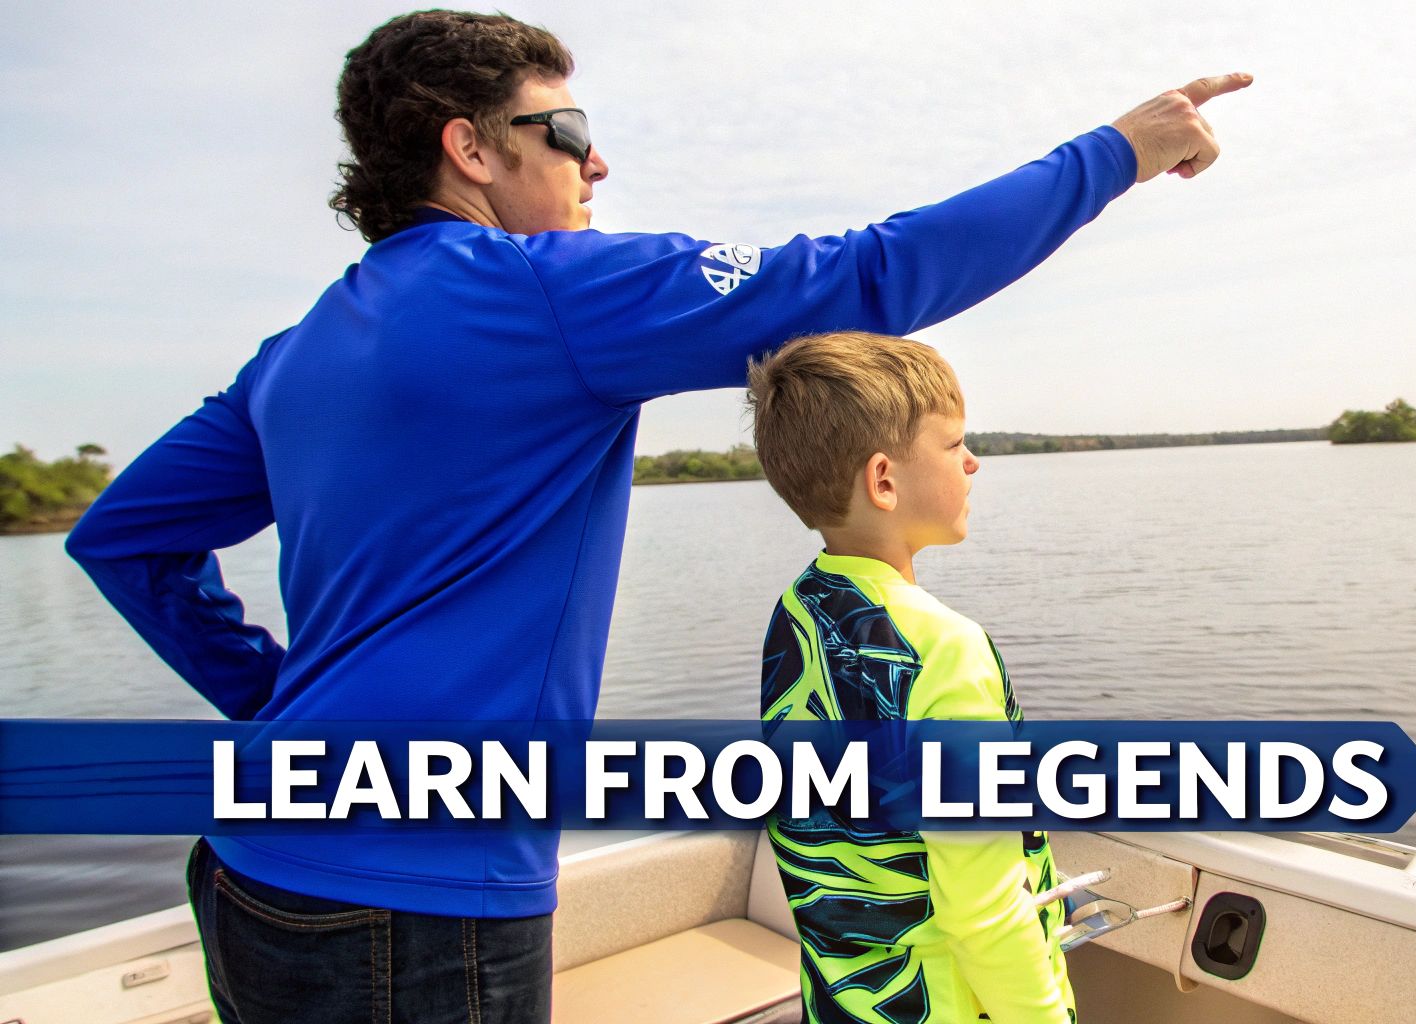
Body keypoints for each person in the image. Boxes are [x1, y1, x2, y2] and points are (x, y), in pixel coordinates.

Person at [63, 8, 1250, 1022]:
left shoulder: (295, 354)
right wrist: (1117, 152)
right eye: (567, 134)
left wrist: (271, 702)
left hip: (250, 868)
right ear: (469, 150)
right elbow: (871, 274)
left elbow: (122, 538)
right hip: (416, 892)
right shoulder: (544, 294)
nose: (596, 167)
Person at [747, 332, 1073, 1023]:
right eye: (955, 445)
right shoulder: (944, 649)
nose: (974, 462)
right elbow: (983, 916)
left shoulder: (797, 615)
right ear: (884, 480)